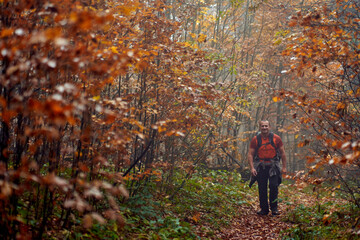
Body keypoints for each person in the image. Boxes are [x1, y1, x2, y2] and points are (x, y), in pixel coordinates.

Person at [248, 120, 287, 216]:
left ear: (269, 127)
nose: (264, 128)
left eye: (266, 126)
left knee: (274, 186)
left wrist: (284, 167)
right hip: (261, 166)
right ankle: (264, 209)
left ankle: (274, 208)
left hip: (273, 166)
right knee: (262, 188)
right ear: (259, 127)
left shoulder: (276, 138)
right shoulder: (255, 139)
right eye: (262, 126)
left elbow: (283, 153)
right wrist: (252, 168)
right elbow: (250, 154)